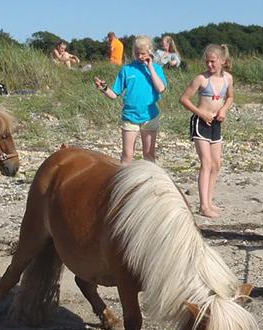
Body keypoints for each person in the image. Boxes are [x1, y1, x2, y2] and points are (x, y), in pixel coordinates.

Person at [178, 43, 233, 217]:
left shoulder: (228, 79)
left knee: (216, 164)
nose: (209, 65)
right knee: (206, 162)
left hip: (216, 123)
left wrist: (223, 110)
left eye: (212, 61)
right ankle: (203, 206)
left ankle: (209, 201)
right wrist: (200, 113)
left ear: (222, 61)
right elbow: (184, 99)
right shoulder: (201, 79)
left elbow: (230, 97)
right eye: (207, 62)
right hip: (200, 123)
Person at [94, 35, 167, 163]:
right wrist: (104, 89)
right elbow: (114, 94)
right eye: (137, 53)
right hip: (130, 116)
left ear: (150, 51)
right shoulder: (127, 70)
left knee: (149, 154)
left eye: (143, 53)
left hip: (150, 116)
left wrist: (150, 67)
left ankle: (149, 176)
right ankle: (124, 174)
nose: (140, 56)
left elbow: (161, 88)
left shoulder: (157, 69)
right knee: (127, 155)